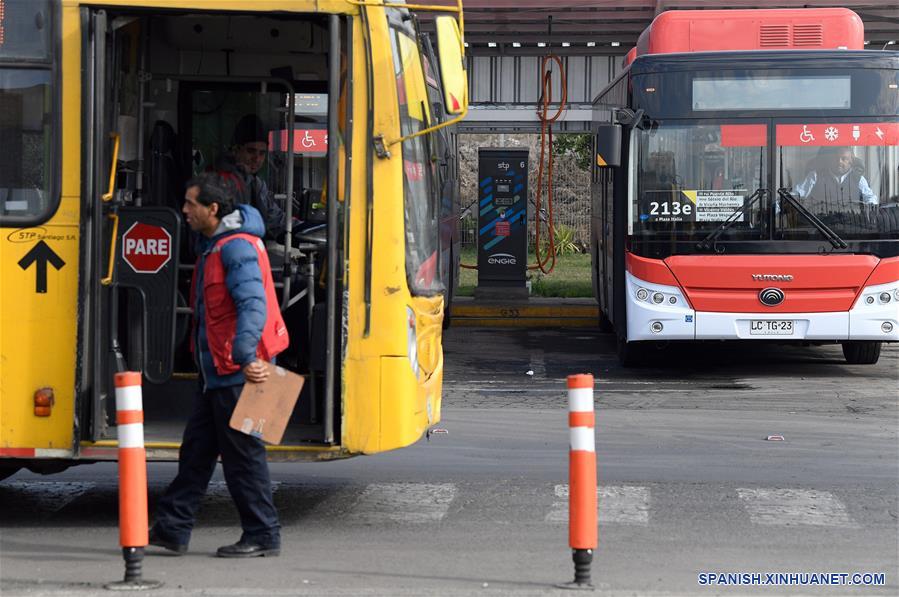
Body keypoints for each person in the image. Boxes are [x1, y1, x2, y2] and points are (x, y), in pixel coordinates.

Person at [149, 172, 288, 558]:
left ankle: (263, 535)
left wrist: (247, 357)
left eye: (191, 204)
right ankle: (172, 528)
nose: (184, 210)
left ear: (213, 209)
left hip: (241, 370)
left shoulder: (235, 248)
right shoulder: (216, 244)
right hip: (219, 371)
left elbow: (252, 305)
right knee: (196, 454)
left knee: (244, 459)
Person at [229, 114, 287, 241]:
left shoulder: (257, 184)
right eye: (251, 151)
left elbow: (275, 219)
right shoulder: (221, 182)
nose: (257, 159)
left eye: (262, 153)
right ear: (236, 150)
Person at [793, 146, 878, 216]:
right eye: (836, 158)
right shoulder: (814, 176)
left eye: (844, 159)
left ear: (851, 161)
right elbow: (795, 196)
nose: (839, 162)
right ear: (830, 159)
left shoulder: (859, 178)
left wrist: (871, 205)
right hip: (820, 226)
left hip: (851, 227)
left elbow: (870, 198)